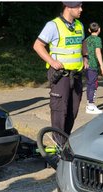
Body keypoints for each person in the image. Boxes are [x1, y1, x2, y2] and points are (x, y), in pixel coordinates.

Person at [33, 2, 86, 139]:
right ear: (68, 7)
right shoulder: (53, 25)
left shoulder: (79, 25)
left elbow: (83, 42)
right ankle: (58, 147)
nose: (81, 9)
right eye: (78, 6)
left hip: (76, 75)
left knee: (72, 111)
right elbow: (38, 45)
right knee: (59, 111)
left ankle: (65, 141)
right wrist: (51, 62)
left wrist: (85, 57)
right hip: (61, 75)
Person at [84, 22, 103, 114]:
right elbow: (98, 53)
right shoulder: (97, 39)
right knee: (93, 85)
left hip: (86, 65)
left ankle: (89, 103)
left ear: (89, 30)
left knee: (89, 84)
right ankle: (91, 105)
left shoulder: (86, 39)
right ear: (99, 30)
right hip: (93, 65)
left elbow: (83, 52)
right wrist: (102, 66)